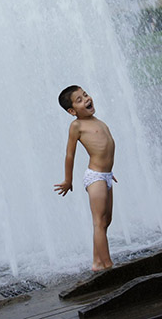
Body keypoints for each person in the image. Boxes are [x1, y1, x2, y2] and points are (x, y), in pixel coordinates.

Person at [54, 86, 117, 272]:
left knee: (107, 220)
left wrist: (110, 170)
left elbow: (105, 148)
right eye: (79, 100)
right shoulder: (77, 126)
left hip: (106, 175)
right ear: (72, 111)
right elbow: (69, 155)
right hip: (95, 177)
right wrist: (68, 180)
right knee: (99, 221)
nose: (86, 99)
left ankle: (97, 262)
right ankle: (108, 265)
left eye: (85, 95)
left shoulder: (98, 121)